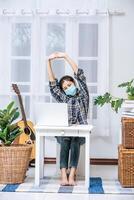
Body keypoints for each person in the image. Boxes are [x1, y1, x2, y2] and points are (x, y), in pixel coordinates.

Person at [47, 52, 89, 186]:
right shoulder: (63, 97)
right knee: (65, 139)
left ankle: (72, 175)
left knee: (75, 140)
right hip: (64, 132)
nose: (67, 88)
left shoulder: (83, 95)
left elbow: (79, 74)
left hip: (79, 133)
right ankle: (63, 174)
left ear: (74, 84)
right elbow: (53, 84)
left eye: (69, 85)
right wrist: (48, 61)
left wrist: (65, 56)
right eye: (65, 88)